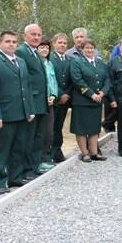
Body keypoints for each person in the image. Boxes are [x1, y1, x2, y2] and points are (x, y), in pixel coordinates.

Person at [0, 31, 35, 194]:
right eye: (7, 41)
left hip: (21, 113)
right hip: (3, 115)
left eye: (14, 42)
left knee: (18, 147)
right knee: (1, 149)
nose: (11, 44)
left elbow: (27, 87)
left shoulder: (21, 61)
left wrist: (30, 110)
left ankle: (15, 177)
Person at [15, 24, 50, 179]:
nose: (36, 37)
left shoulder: (35, 52)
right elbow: (23, 81)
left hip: (41, 102)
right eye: (33, 34)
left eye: (38, 34)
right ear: (25, 36)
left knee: (38, 137)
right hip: (31, 102)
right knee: (28, 138)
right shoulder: (21, 52)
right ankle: (26, 169)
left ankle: (35, 166)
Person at [70, 40, 110, 162]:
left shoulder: (100, 62)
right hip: (82, 101)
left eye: (91, 48)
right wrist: (91, 94)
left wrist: (103, 92)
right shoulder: (76, 62)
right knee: (81, 128)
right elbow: (77, 80)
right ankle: (85, 153)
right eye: (86, 48)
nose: (89, 50)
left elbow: (107, 79)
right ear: (81, 50)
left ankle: (94, 153)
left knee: (94, 127)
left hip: (97, 101)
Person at [36, 38, 58, 172]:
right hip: (40, 103)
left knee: (49, 133)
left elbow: (53, 82)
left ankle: (45, 158)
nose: (44, 50)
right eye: (41, 47)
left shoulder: (49, 63)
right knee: (40, 133)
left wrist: (53, 95)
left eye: (46, 48)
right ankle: (38, 161)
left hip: (50, 103)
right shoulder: (37, 64)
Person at [49, 33, 72, 163]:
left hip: (65, 100)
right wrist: (60, 93)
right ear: (54, 44)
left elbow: (72, 79)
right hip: (53, 99)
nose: (62, 45)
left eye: (64, 43)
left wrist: (67, 94)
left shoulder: (70, 59)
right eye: (60, 42)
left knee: (59, 126)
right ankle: (51, 153)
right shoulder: (49, 59)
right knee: (51, 128)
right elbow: (49, 79)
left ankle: (57, 151)